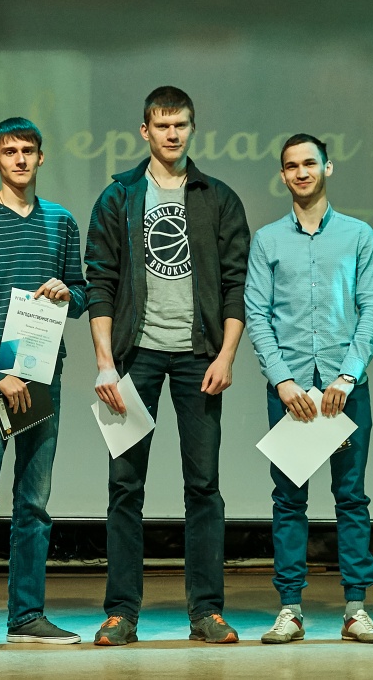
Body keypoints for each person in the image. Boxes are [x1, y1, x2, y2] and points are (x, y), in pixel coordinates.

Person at [85, 86, 250, 645]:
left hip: (199, 358)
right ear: (145, 131)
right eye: (162, 125)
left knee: (203, 486)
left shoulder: (217, 197)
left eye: (180, 125)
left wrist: (226, 355)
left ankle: (206, 612)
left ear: (192, 129)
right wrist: (105, 364)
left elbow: (235, 285)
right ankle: (121, 614)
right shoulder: (120, 196)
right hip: (135, 359)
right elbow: (100, 281)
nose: (172, 134)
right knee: (125, 486)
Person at [0, 117, 86, 649]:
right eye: (10, 152)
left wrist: (66, 292)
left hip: (43, 373)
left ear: (41, 157)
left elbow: (82, 292)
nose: (20, 159)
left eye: (28, 150)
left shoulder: (61, 221)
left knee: (34, 502)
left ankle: (27, 615)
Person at [245, 133, 373, 645]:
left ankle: (355, 610)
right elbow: (257, 314)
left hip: (344, 390)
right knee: (288, 501)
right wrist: (282, 380)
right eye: (291, 166)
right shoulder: (267, 240)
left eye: (310, 163)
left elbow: (372, 308)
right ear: (282, 175)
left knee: (351, 499)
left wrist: (347, 375)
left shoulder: (358, 235)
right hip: (290, 394)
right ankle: (290, 609)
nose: (301, 172)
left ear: (328, 167)